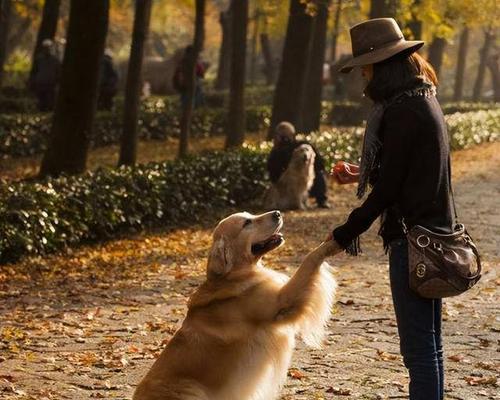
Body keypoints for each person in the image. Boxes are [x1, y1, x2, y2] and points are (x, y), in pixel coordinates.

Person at [326, 18, 453, 400]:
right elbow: (406, 167)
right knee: (430, 347)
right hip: (434, 234)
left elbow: (389, 190)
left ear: (383, 66)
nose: (364, 76)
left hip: (414, 241)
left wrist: (346, 232)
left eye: (366, 67)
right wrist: (361, 173)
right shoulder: (423, 101)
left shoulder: (403, 111)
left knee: (418, 352)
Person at [267, 121, 330, 209]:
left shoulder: (302, 146)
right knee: (318, 173)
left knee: (318, 173)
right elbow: (273, 175)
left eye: (281, 135)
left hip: (307, 184)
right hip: (288, 190)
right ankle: (320, 200)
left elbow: (320, 164)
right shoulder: (279, 151)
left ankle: (320, 200)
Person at [30, 39, 60, 112]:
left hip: (50, 83)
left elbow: (58, 72)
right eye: (46, 48)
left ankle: (48, 111)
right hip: (40, 82)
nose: (47, 49)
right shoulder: (39, 59)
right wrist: (33, 81)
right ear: (43, 48)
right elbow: (34, 71)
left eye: (49, 47)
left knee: (50, 100)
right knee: (41, 99)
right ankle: (41, 111)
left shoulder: (55, 60)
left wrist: (57, 81)